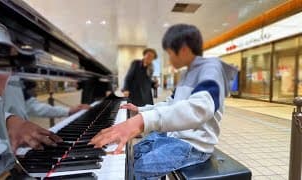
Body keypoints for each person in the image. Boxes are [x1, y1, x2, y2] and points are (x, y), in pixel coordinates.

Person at [90, 24, 237, 179]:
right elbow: (171, 103)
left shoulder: (211, 71)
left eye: (170, 53)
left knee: (135, 172)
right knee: (132, 156)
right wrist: (141, 110)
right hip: (173, 135)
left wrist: (141, 122)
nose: (170, 59)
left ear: (184, 49)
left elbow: (198, 110)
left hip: (193, 145)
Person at [0, 72, 62, 179]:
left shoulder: (16, 73)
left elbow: (29, 104)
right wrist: (7, 120)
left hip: (12, 154)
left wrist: (68, 111)